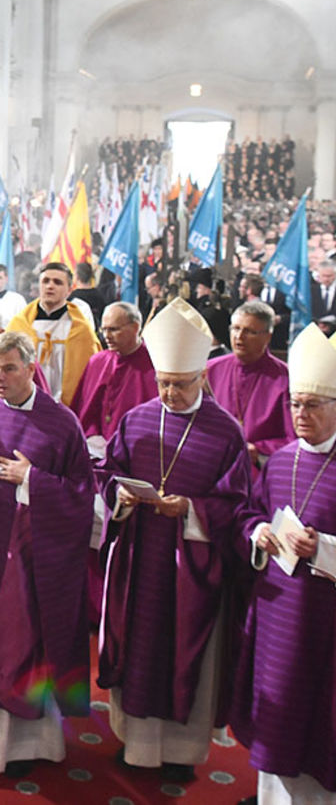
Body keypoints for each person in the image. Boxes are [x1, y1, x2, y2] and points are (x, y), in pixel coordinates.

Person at [97, 298, 251, 782]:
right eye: (163, 383)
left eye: (180, 385)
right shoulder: (138, 418)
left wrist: (189, 510)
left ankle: (182, 755)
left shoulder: (226, 433)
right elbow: (109, 473)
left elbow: (240, 505)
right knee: (139, 647)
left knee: (185, 654)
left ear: (202, 377)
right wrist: (122, 496)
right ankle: (137, 747)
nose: (168, 393)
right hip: (141, 556)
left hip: (193, 569)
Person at [0, 331, 95, 776]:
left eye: (8, 368)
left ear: (31, 368)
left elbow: (83, 497)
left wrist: (32, 480)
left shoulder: (61, 422)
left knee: (23, 637)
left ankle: (25, 745)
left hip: (33, 559)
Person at [230, 323, 336, 805]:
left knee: (315, 716)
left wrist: (326, 549)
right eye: (296, 404)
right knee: (274, 705)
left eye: (313, 405)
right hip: (275, 609)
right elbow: (249, 511)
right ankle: (270, 793)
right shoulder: (281, 459)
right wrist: (258, 533)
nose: (301, 414)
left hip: (324, 620)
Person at [206, 300, 293, 471]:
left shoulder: (285, 378)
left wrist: (260, 449)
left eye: (249, 331)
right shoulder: (210, 370)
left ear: (268, 336)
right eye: (236, 328)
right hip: (213, 462)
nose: (239, 337)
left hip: (258, 468)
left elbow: (293, 437)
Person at [7, 261, 101, 406]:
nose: (50, 286)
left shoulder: (82, 331)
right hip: (25, 403)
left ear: (69, 290)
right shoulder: (20, 325)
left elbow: (92, 376)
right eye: (45, 281)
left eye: (57, 282)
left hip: (66, 406)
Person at [71, 301, 157, 448]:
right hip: (96, 451)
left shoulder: (154, 364)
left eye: (113, 329)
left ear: (135, 328)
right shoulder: (97, 361)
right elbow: (84, 410)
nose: (106, 336)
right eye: (103, 330)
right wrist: (92, 435)